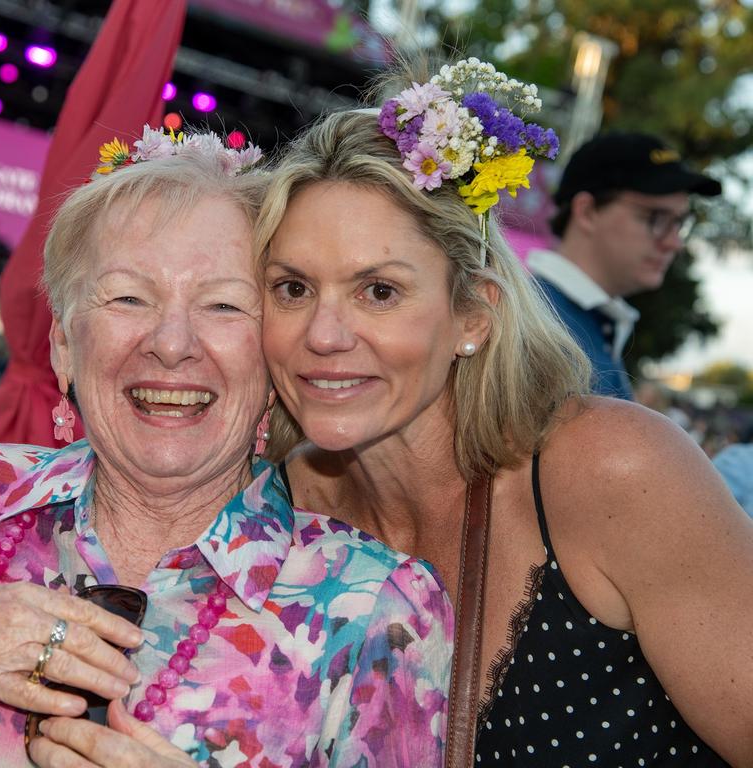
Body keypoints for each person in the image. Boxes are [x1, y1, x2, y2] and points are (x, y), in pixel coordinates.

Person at [0, 129, 453, 768]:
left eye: (225, 305)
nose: (172, 345)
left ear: (274, 363)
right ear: (65, 348)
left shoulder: (371, 610)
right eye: (127, 298)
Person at [255, 60, 753, 766]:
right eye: (293, 287)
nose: (324, 335)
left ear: (472, 317)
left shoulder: (611, 471)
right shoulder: (277, 512)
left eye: (380, 292)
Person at [527, 132, 721, 399]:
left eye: (679, 223)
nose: (675, 242)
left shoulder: (565, 316)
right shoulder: (534, 325)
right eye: (656, 218)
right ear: (587, 211)